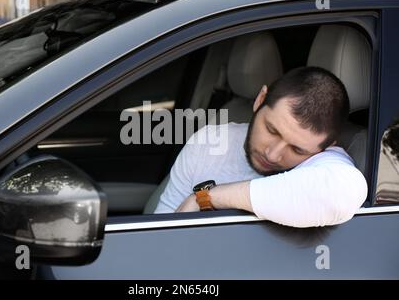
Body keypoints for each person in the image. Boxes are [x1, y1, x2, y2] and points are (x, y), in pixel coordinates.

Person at [154, 66, 368, 228]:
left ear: (327, 147)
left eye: (297, 150)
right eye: (272, 130)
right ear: (260, 99)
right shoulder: (210, 141)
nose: (273, 155)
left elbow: (343, 193)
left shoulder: (326, 166)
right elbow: (159, 231)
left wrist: (206, 197)